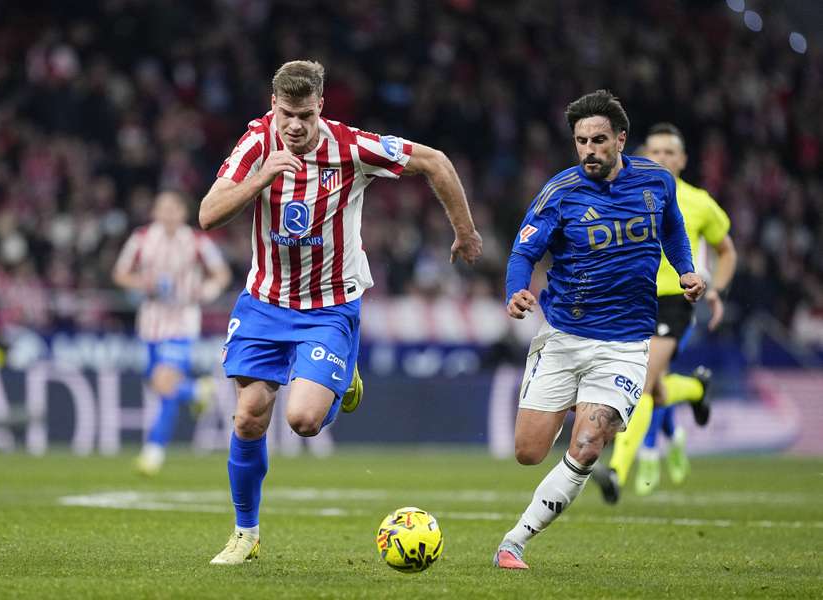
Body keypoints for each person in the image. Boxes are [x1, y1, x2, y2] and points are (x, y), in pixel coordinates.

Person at [197, 60, 482, 565]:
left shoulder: (351, 147)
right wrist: (262, 178)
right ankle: (246, 534)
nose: (295, 126)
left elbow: (435, 161)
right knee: (247, 418)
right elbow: (208, 214)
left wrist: (465, 231)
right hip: (264, 302)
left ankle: (342, 374)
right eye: (286, 114)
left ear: (321, 106)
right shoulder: (257, 144)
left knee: (304, 420)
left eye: (305, 114)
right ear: (273, 105)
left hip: (328, 307)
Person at [494, 90, 705, 570]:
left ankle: (514, 542)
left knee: (589, 440)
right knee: (528, 453)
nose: (588, 149)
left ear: (621, 140)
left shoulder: (656, 182)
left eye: (598, 140)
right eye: (581, 141)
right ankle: (574, 396)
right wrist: (516, 291)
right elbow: (524, 250)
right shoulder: (560, 192)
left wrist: (686, 269)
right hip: (565, 336)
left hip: (627, 343)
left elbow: (672, 228)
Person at [610, 123, 736, 497]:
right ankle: (697, 387)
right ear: (642, 156)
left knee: (641, 383)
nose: (662, 158)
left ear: (682, 159)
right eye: (655, 152)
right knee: (656, 389)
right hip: (633, 299)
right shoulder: (626, 194)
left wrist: (717, 290)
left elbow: (726, 250)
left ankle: (615, 471)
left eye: (670, 152)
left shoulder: (699, 201)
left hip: (675, 301)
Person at [113, 190, 232, 475]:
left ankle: (153, 452)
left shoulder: (197, 241)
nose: (168, 214)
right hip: (152, 322)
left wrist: (204, 291)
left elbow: (221, 273)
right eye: (162, 208)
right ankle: (196, 390)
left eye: (173, 209)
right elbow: (120, 273)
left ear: (183, 213)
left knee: (165, 385)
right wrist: (143, 284)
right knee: (157, 383)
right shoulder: (141, 239)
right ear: (155, 212)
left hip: (182, 322)